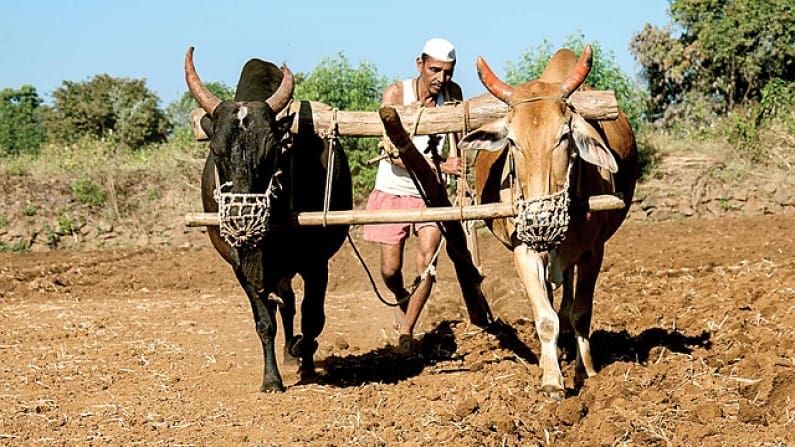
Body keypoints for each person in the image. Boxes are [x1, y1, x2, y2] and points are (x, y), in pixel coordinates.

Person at [363, 38, 463, 352]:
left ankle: (407, 333)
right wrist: (441, 165)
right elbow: (392, 154)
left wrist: (459, 179)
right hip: (393, 190)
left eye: (447, 72)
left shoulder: (453, 96)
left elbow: (458, 142)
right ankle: (400, 298)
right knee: (390, 270)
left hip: (431, 196)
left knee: (427, 263)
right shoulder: (395, 94)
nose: (441, 79)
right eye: (434, 70)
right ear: (419, 64)